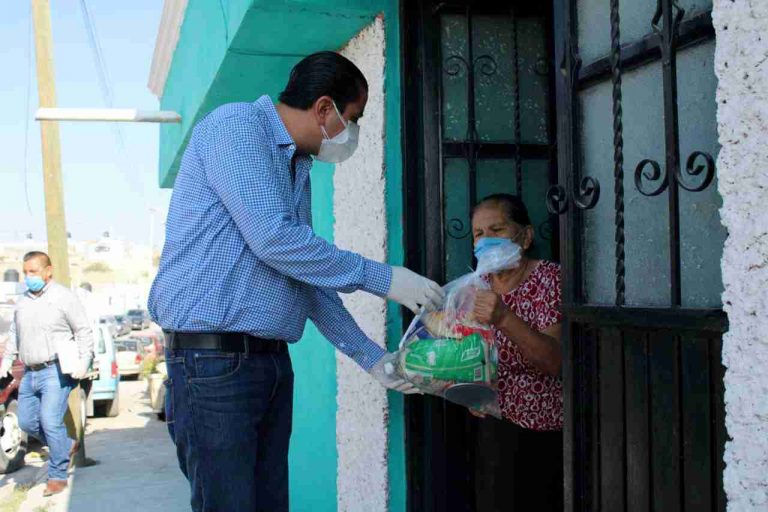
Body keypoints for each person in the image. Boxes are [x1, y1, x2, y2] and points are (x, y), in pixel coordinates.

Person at [148, 51, 443, 512]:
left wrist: (370, 358)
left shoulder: (295, 165)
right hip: (213, 363)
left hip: (266, 364)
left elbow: (302, 273)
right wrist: (383, 278)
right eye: (352, 118)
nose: (353, 132)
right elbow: (274, 240)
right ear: (323, 108)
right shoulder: (236, 128)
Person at [470, 194, 563, 511]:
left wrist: (504, 318)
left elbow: (553, 361)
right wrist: (470, 390)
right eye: (479, 234)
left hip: (541, 432)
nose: (486, 240)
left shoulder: (550, 279)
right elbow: (464, 353)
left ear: (525, 237)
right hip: (493, 431)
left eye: (496, 229)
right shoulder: (476, 285)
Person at [0, 252, 93, 497]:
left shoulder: (64, 298)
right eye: (25, 272)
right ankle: (66, 444)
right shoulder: (23, 302)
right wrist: (7, 361)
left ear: (48, 271)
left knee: (50, 420)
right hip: (30, 372)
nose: (28, 277)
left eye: (33, 271)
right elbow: (15, 335)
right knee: (26, 422)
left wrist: (85, 360)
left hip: (55, 370)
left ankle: (57, 475)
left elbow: (83, 330)